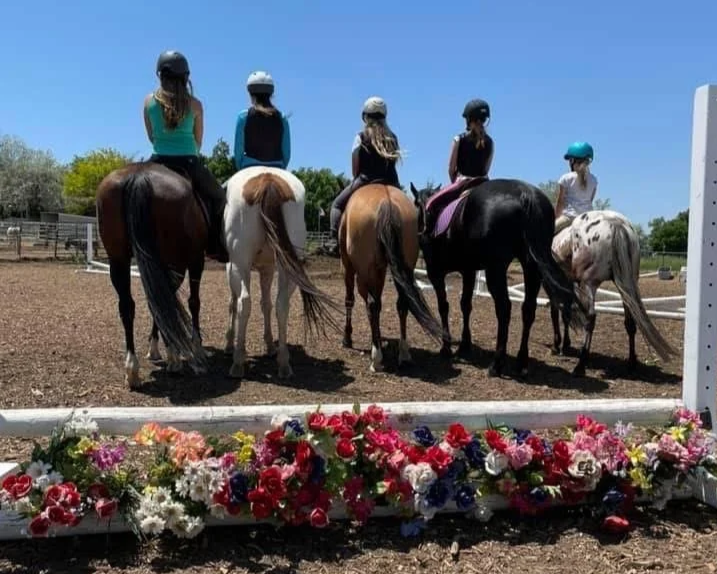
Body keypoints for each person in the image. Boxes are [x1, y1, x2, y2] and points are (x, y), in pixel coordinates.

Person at [143, 50, 228, 262]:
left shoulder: (148, 102)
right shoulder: (196, 105)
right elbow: (198, 141)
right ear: (186, 77)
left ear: (159, 75)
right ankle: (215, 245)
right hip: (189, 162)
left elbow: (151, 136)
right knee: (219, 197)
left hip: (157, 160)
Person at [325, 96, 402, 256]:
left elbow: (355, 170)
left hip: (365, 180)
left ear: (365, 116)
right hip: (392, 182)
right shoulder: (393, 138)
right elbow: (393, 163)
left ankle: (333, 240)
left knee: (337, 205)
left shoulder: (360, 137)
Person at [422, 99, 494, 235]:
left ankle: (429, 237)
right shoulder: (491, 142)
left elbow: (451, 168)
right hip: (484, 183)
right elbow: (487, 169)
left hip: (463, 182)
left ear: (468, 119)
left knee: (430, 204)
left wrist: (456, 183)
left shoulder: (459, 139)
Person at [233, 71, 291, 171]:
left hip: (248, 166)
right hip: (278, 167)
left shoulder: (243, 117)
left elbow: (238, 152)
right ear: (271, 94)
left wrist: (240, 168)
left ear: (250, 93)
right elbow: (286, 154)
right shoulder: (283, 119)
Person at [554, 141, 598, 235]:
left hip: (569, 217)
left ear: (572, 161)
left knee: (545, 233)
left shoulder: (566, 178)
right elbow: (590, 200)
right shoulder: (594, 180)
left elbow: (560, 201)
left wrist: (556, 218)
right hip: (588, 218)